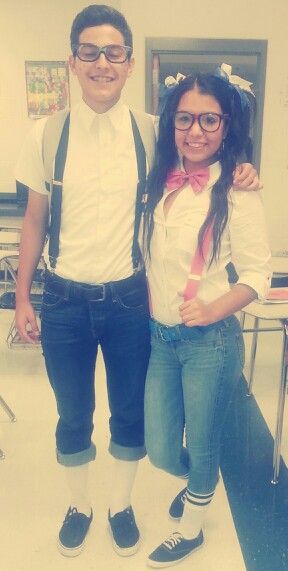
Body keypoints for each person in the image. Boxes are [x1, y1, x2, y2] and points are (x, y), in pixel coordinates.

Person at [15, 3, 260, 560]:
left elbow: (212, 150)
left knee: (130, 413)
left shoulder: (154, 133)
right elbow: (34, 219)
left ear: (129, 64)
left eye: (114, 53)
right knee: (72, 414)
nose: (102, 63)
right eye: (90, 52)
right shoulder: (45, 134)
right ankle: (80, 506)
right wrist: (23, 295)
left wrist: (246, 168)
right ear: (72, 62)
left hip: (130, 300)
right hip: (64, 302)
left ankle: (121, 504)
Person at [143, 71, 271, 568]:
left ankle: (192, 526)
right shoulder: (159, 180)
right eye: (185, 119)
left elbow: (259, 274)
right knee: (158, 447)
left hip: (210, 343)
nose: (195, 131)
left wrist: (214, 307)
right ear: (171, 124)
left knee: (202, 439)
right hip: (160, 339)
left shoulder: (240, 192)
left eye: (209, 119)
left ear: (226, 125)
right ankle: (201, 480)